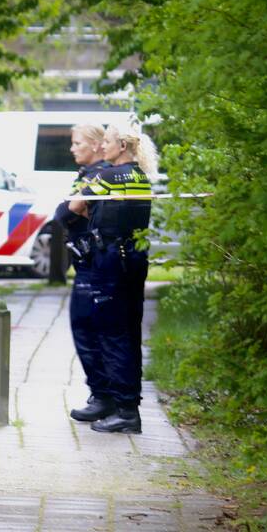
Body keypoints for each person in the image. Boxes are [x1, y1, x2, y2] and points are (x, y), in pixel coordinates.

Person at [67, 121, 158, 433]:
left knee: (111, 333)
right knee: (131, 332)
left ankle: (125, 412)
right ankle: (128, 404)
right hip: (136, 259)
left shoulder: (106, 176)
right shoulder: (141, 177)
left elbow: (74, 206)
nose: (103, 147)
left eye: (107, 141)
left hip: (110, 262)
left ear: (122, 146)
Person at [52, 125, 112, 424]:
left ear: (95, 144)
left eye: (77, 143)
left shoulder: (97, 175)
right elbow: (67, 213)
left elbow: (65, 213)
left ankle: (103, 395)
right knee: (92, 330)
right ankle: (102, 394)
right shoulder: (88, 175)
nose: (72, 149)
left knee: (87, 330)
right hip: (89, 263)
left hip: (92, 266)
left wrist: (68, 209)